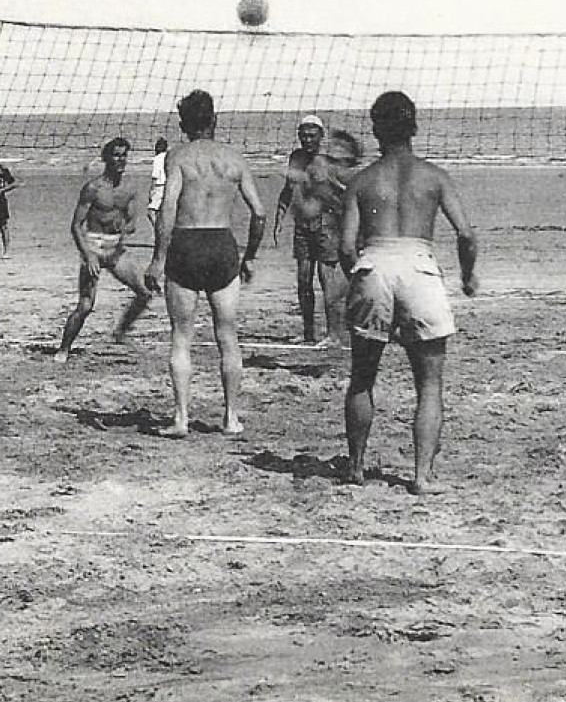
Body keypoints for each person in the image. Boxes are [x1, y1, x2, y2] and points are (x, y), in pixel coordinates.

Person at [341, 91, 479, 497]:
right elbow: (467, 234)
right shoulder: (432, 176)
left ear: (375, 129)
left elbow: (347, 246)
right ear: (414, 126)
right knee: (430, 383)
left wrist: (359, 279)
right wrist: (469, 276)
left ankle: (355, 466)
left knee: (362, 376)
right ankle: (421, 476)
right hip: (418, 264)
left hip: (375, 263)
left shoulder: (362, 180)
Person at [144, 90, 267, 437]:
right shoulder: (234, 159)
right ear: (214, 119)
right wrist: (250, 256)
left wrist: (158, 258)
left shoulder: (178, 157)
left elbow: (168, 208)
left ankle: (181, 419)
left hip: (186, 243)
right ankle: (231, 418)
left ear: (183, 125)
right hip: (221, 246)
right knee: (227, 336)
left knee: (181, 336)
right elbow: (259, 212)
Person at [55, 138, 154, 362]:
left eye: (124, 155)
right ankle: (63, 349)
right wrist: (88, 255)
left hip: (115, 249)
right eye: (116, 155)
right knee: (86, 305)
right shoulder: (93, 188)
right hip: (93, 247)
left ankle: (120, 332)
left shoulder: (128, 190)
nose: (121, 160)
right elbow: (76, 226)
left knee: (145, 293)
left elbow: (131, 223)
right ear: (106, 158)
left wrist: (126, 227)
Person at [273, 115, 354, 346]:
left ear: (321, 135)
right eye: (303, 135)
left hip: (327, 226)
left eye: (312, 135)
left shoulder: (330, 160)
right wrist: (279, 218)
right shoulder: (296, 158)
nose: (307, 139)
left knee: (328, 280)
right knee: (303, 280)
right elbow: (287, 190)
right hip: (303, 227)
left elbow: (348, 191)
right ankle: (308, 333)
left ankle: (334, 334)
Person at [146, 137, 170, 231]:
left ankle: (159, 230)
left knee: (151, 211)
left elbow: (155, 176)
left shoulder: (157, 159)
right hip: (169, 185)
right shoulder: (169, 156)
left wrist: (151, 192)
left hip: (160, 186)